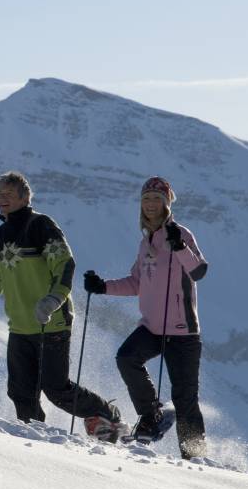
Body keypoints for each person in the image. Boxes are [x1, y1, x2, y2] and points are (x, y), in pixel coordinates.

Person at [0, 171, 121, 438]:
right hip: (20, 325)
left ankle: (108, 417)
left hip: (53, 320)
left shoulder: (41, 226)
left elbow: (64, 264)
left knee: (56, 388)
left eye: (9, 194)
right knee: (20, 391)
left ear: (25, 197)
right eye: (0, 194)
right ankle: (37, 438)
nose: (2, 199)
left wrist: (53, 300)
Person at [84, 176, 208, 459]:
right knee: (126, 358)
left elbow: (199, 271)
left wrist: (180, 248)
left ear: (166, 203)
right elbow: (136, 283)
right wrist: (102, 286)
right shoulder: (146, 241)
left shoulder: (181, 233)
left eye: (156, 199)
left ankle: (195, 457)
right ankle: (152, 416)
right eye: (146, 199)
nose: (151, 204)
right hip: (152, 327)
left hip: (183, 332)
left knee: (185, 399)